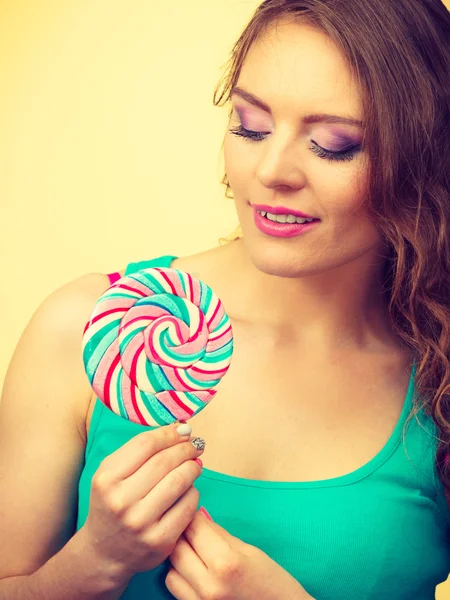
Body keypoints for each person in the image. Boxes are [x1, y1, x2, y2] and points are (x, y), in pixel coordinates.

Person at [1, 0, 450, 598]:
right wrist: (93, 563)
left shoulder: (437, 384)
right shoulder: (87, 326)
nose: (271, 169)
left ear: (424, 158)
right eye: (250, 126)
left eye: (334, 144)